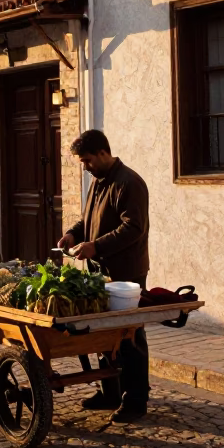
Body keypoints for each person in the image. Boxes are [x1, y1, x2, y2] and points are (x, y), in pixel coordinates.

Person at [58, 129, 150, 423]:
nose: (85, 167)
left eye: (87, 161)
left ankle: (135, 399)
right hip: (100, 272)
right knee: (101, 334)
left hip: (126, 274)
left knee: (128, 336)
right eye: (81, 162)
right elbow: (89, 220)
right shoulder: (98, 182)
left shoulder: (130, 183)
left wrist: (96, 245)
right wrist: (73, 234)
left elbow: (133, 229)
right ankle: (110, 392)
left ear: (102, 153)